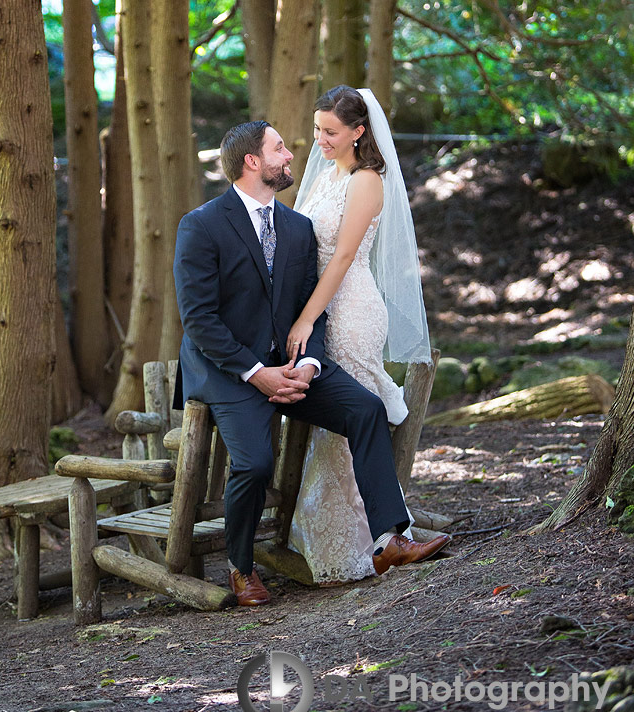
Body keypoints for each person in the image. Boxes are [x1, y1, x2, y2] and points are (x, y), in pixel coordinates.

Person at [173, 118, 449, 607]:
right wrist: (256, 373)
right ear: (252, 162)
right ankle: (241, 567)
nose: (290, 155)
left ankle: (390, 541)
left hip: (293, 366)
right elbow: (199, 320)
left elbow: (310, 311)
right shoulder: (201, 224)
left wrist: (311, 365)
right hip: (228, 371)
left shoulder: (298, 229)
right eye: (279, 149)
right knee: (256, 463)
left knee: (366, 409)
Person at [287, 85, 431, 584]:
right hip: (321, 304)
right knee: (335, 428)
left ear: (358, 131)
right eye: (316, 130)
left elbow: (344, 256)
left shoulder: (368, 180)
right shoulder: (329, 175)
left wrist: (306, 319)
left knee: (351, 422)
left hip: (351, 307)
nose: (320, 140)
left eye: (329, 132)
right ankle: (345, 536)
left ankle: (373, 541)